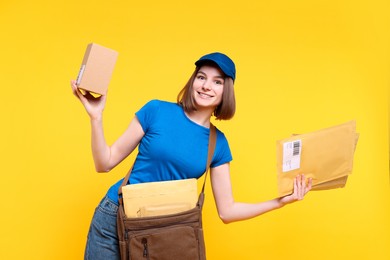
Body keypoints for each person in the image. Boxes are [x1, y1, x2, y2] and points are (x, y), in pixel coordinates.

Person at [71, 52, 312, 260]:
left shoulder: (218, 144)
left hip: (165, 231)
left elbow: (227, 212)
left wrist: (280, 202)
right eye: (201, 77)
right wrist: (96, 117)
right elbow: (105, 163)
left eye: (217, 82)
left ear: (225, 92)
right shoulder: (156, 110)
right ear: (193, 81)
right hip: (115, 218)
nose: (207, 86)